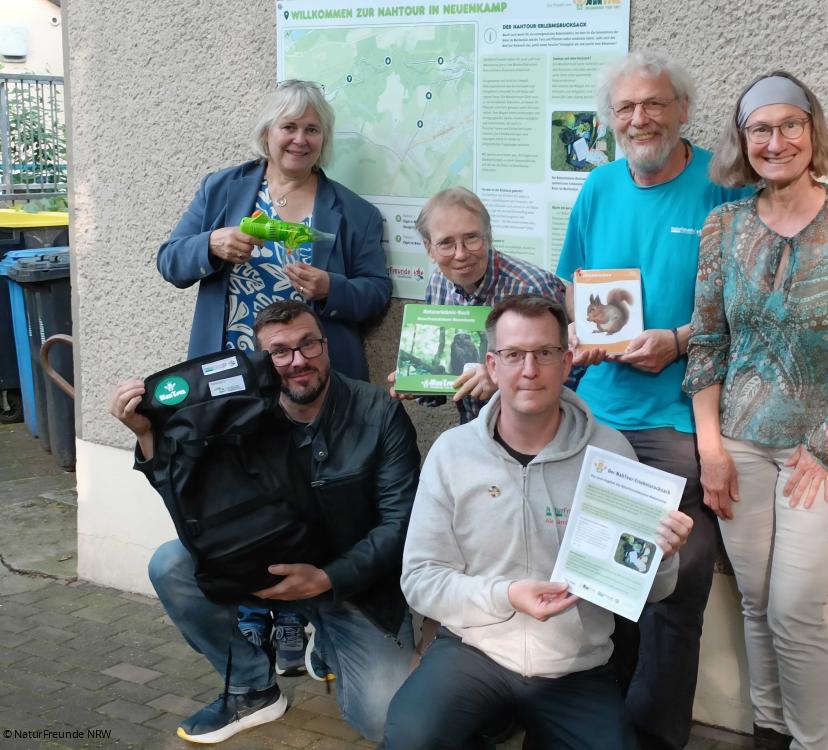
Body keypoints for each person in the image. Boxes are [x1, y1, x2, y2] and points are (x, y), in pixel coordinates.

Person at [683, 72, 828, 750]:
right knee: (756, 603)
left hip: (821, 453)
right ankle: (769, 732)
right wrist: (711, 450)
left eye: (790, 126)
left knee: (794, 612)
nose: (775, 142)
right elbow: (709, 342)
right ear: (742, 139)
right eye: (760, 129)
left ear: (812, 132)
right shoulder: (724, 225)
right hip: (740, 446)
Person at [382, 294, 694, 750]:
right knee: (410, 735)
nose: (530, 370)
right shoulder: (452, 453)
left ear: (566, 362)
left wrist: (662, 557)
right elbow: (420, 579)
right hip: (474, 651)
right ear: (492, 365)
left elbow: (654, 592)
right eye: (514, 354)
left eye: (545, 353)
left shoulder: (611, 454)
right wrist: (506, 595)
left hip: (575, 664)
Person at [157, 79, 392, 674]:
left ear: (324, 140)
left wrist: (332, 287)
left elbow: (376, 294)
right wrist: (210, 244)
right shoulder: (223, 190)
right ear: (268, 133)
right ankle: (251, 607)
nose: (300, 139)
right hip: (231, 387)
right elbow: (170, 260)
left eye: (312, 129)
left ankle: (294, 615)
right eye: (290, 127)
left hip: (305, 384)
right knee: (236, 498)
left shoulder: (352, 212)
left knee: (300, 495)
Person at [110, 300, 419, 744]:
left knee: (383, 722)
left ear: (326, 345)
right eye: (280, 351)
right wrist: (146, 434)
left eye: (308, 344)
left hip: (355, 587)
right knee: (171, 564)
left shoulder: (378, 412)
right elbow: (193, 506)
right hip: (267, 569)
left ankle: (327, 639)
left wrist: (327, 578)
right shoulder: (237, 411)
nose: (297, 361)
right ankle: (251, 687)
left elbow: (399, 524)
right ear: (261, 359)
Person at [556, 50, 748, 749]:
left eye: (654, 104)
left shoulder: (722, 188)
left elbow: (746, 307)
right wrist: (579, 336)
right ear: (612, 120)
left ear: (682, 111)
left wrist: (676, 339)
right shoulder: (599, 186)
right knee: (601, 588)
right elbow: (571, 288)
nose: (640, 119)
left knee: (672, 600)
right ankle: (600, 732)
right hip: (600, 420)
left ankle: (658, 740)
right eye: (626, 108)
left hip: (679, 426)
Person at [389, 187, 566, 424]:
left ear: (488, 236)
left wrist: (502, 379)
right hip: (473, 430)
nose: (461, 254)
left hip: (536, 430)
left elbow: (568, 375)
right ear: (428, 248)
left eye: (471, 238)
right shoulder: (438, 283)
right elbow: (445, 386)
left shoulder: (533, 287)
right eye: (446, 243)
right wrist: (417, 383)